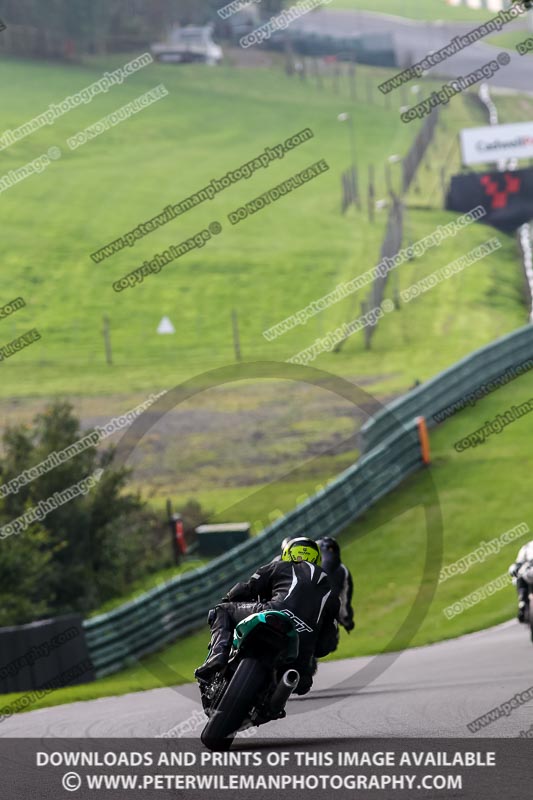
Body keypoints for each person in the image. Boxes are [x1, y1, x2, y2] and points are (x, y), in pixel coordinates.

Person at [195, 537, 339, 695]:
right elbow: (326, 644)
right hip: (301, 648)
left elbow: (246, 588)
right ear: (317, 558)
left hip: (274, 612)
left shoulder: (279, 566)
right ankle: (272, 700)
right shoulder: (330, 589)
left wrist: (229, 598)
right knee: (302, 683)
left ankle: (217, 656)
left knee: (222, 610)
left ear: (287, 554)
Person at [317, 536, 355, 633]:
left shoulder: (309, 566)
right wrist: (346, 618)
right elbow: (345, 597)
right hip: (326, 617)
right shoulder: (342, 569)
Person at [509, 540, 533, 622]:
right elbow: (517, 564)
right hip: (529, 573)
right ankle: (522, 602)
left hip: (528, 572)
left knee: (519, 574)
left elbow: (518, 563)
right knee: (519, 574)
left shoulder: (527, 546)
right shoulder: (527, 546)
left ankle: (522, 603)